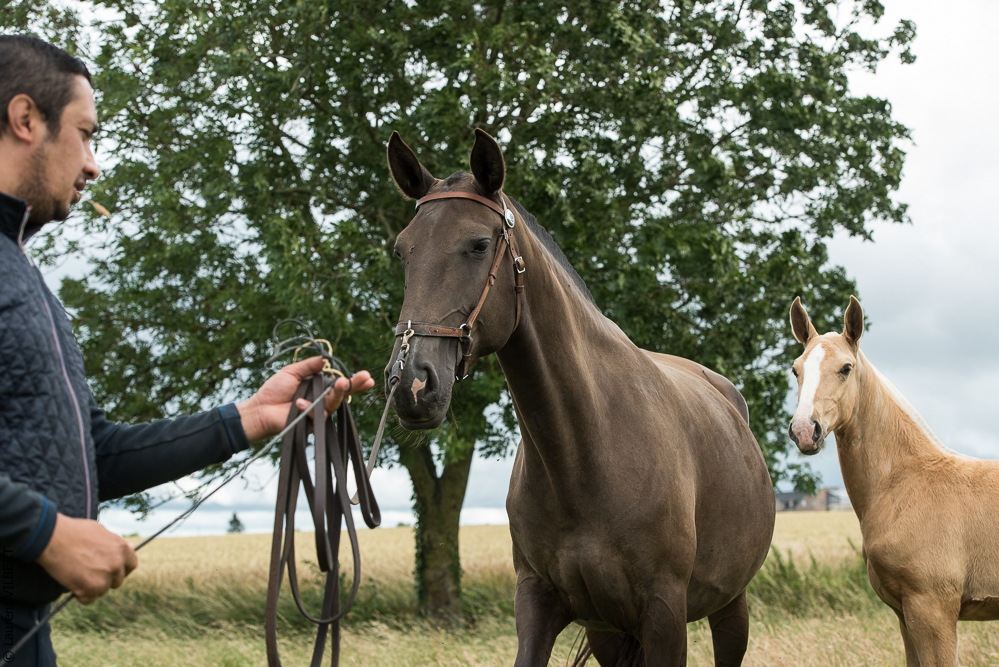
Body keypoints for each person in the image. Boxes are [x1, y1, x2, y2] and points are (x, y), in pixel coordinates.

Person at [0, 35, 375, 666]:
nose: (94, 165)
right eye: (87, 134)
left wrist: (249, 419)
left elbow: (97, 454)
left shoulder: (22, 274)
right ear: (26, 119)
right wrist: (44, 533)